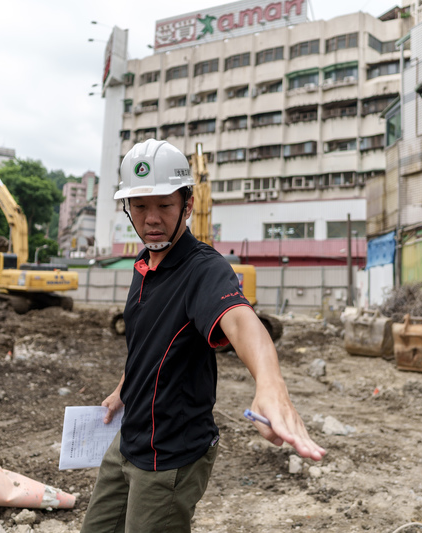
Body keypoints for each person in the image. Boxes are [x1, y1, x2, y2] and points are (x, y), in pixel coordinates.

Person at [80, 140, 326, 533]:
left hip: (170, 455)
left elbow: (242, 321)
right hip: (128, 441)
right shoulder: (144, 264)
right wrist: (124, 387)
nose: (151, 218)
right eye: (140, 206)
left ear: (188, 205)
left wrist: (270, 383)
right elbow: (150, 344)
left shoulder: (204, 270)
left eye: (164, 204)